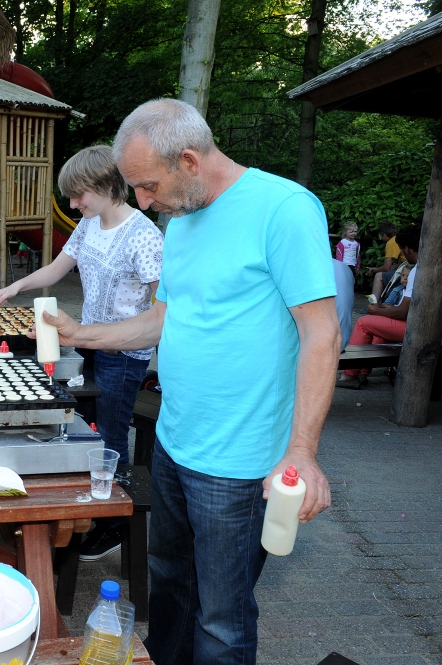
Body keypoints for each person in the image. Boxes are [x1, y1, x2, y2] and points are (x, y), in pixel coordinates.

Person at [38, 99, 338, 665]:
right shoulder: (179, 222)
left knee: (222, 619)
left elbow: (321, 333)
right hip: (175, 444)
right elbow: (162, 318)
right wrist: (82, 334)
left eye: (148, 186)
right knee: (169, 585)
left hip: (240, 461)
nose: (143, 202)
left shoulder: (284, 208)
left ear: (190, 161)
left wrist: (302, 451)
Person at [0, 144, 163, 561]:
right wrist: (17, 286)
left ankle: (115, 523)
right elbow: (58, 267)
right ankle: (87, 507)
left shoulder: (145, 236)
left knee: (110, 434)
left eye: (78, 194)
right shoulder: (88, 224)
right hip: (85, 341)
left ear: (106, 185)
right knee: (85, 426)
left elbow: (164, 307)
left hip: (124, 354)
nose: (72, 204)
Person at [337, 224, 420, 389]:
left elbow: (403, 312)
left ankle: (349, 374)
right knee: (378, 332)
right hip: (420, 325)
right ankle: (362, 372)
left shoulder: (416, 271)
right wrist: (383, 310)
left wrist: (377, 310)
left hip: (417, 329)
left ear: (407, 249)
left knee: (364, 322)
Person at [366, 222, 404, 301]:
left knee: (378, 276)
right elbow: (399, 265)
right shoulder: (399, 238)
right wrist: (377, 269)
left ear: (384, 235)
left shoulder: (391, 242)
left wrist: (373, 271)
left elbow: (387, 268)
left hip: (408, 269)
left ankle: (372, 303)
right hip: (408, 267)